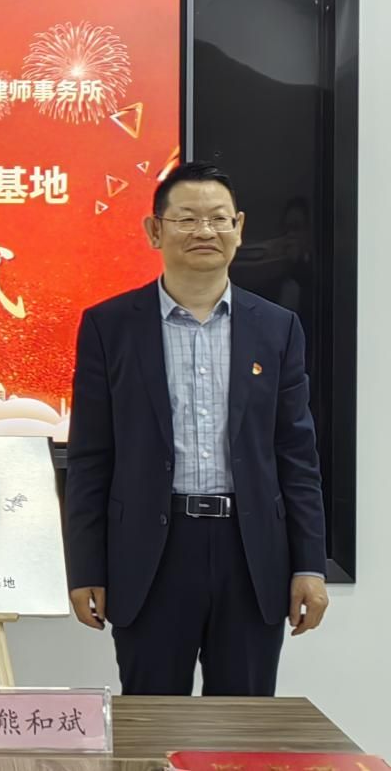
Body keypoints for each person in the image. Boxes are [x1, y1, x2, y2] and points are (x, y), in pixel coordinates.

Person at [64, 161, 329, 695]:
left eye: (218, 218)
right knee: (152, 719)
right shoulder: (110, 326)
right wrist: (85, 567)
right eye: (186, 218)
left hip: (250, 552)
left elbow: (296, 454)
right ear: (154, 230)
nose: (204, 231)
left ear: (239, 228)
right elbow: (91, 456)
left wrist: (310, 564)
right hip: (150, 552)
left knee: (242, 722)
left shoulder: (277, 328)